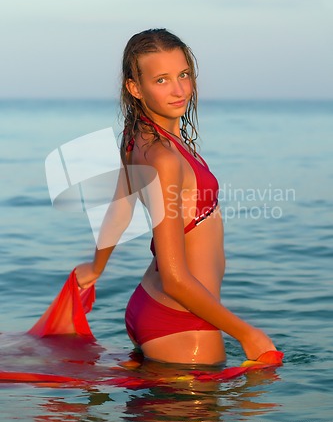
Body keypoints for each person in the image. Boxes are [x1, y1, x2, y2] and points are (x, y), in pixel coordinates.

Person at [75, 28, 277, 365]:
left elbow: (120, 210)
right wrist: (246, 333)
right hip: (183, 321)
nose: (179, 89)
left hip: (152, 307)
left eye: (183, 75)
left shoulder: (135, 137)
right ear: (134, 88)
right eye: (162, 80)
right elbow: (174, 278)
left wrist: (97, 266)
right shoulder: (164, 159)